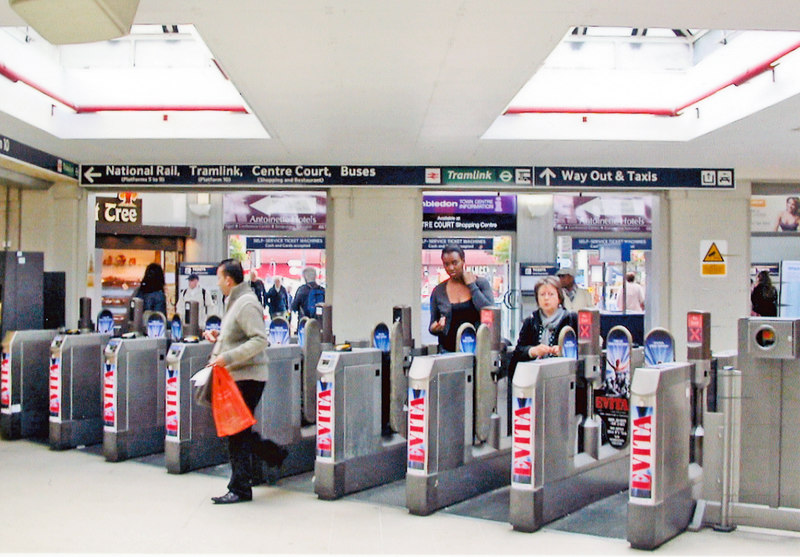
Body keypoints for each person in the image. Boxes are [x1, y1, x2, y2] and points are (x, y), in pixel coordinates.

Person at [203, 259, 287, 505]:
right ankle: (272, 455)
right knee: (238, 430)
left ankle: (240, 487)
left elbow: (259, 339)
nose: (218, 283)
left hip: (248, 376)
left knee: (236, 431)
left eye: (219, 278)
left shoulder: (246, 302)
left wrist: (226, 356)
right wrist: (221, 338)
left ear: (229, 280)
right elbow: (240, 335)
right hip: (237, 375)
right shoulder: (235, 302)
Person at [428, 244, 494, 353]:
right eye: (446, 264)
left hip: (477, 351)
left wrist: (472, 286)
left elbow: (489, 312)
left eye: (455, 263)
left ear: (463, 261)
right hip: (448, 351)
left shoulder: (480, 283)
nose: (451, 268)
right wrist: (435, 328)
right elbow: (432, 325)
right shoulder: (438, 291)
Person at [511, 275, 577, 375]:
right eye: (542, 294)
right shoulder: (531, 320)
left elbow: (581, 351)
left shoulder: (571, 319)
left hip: (563, 375)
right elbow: (518, 352)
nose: (546, 298)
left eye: (551, 294)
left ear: (559, 298)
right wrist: (533, 351)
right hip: (535, 375)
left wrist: (563, 351)